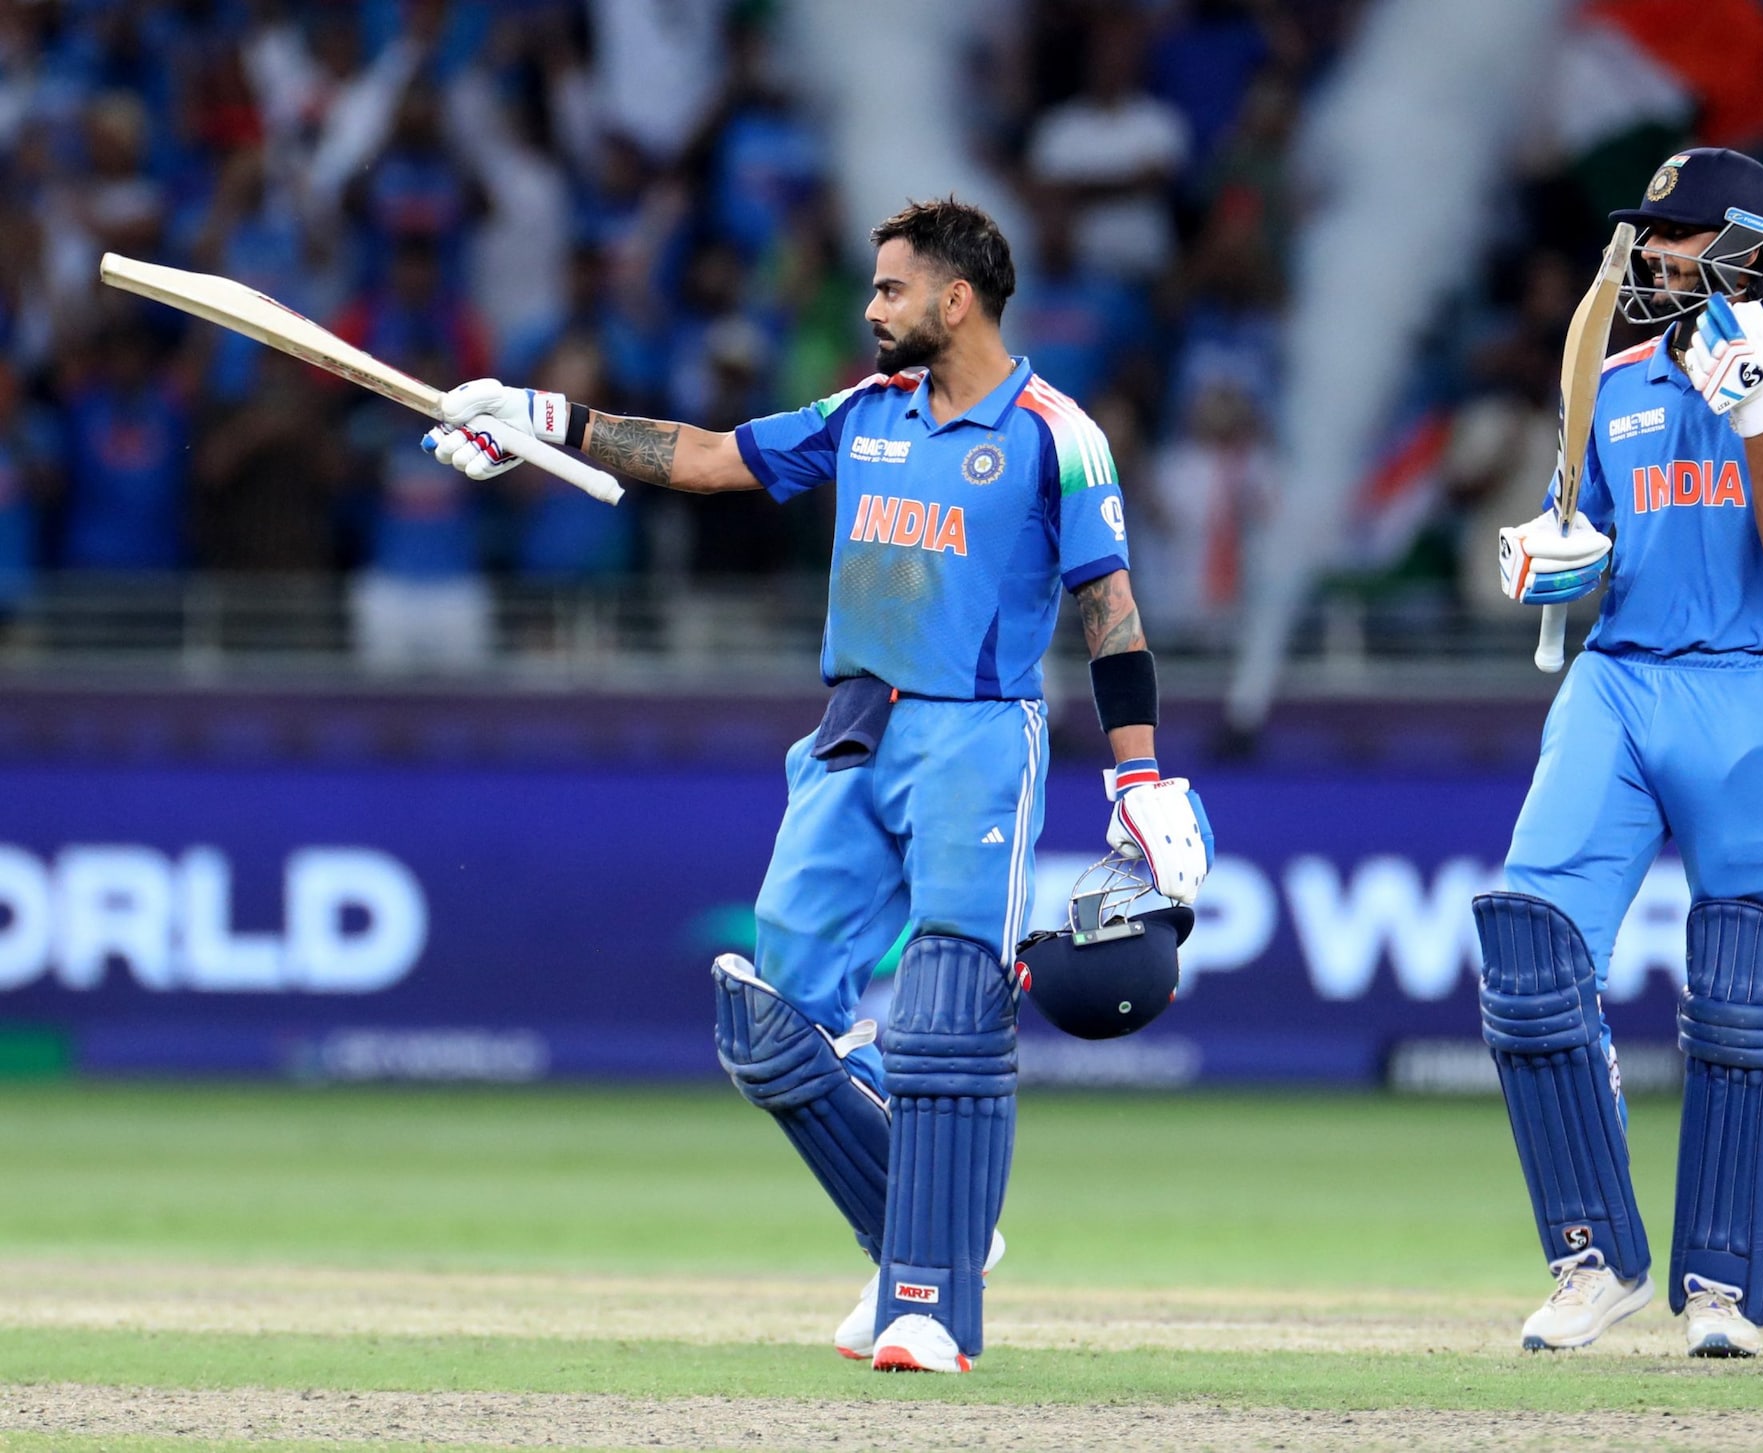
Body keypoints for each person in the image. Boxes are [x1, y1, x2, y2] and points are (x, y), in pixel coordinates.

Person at [420, 198, 1212, 1373]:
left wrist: (1136, 773)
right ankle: (929, 1228)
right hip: (852, 730)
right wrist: (547, 421)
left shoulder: (1059, 434)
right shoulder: (864, 410)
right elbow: (707, 457)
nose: (871, 307)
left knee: (946, 1014)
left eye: (891, 288)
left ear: (955, 299)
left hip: (977, 740)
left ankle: (930, 1305)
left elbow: (1110, 609)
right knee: (771, 1024)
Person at [1483, 149, 1763, 1358]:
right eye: (1646, 234)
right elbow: (1597, 540)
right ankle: (1592, 1254)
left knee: (1740, 994)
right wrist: (1557, 561)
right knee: (1530, 954)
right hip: (1615, 684)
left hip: (1749, 690)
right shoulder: (1612, 380)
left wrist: (1753, 417)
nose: (1649, 253)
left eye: (1677, 234)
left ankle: (1721, 1282)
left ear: (1745, 245)